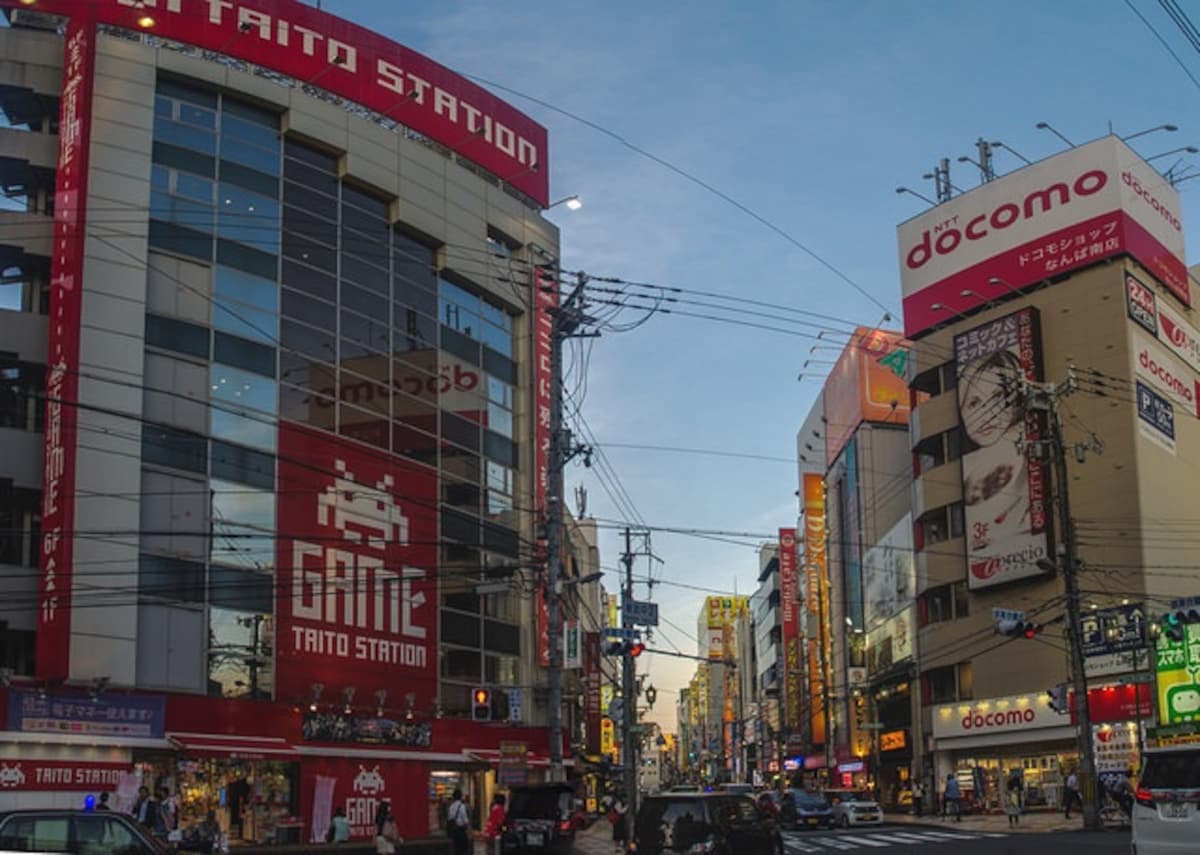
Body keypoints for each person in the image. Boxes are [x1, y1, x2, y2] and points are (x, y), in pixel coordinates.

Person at [447, 789, 470, 855]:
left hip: (453, 831)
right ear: (460, 796)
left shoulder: (451, 806)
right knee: (463, 848)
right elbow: (465, 820)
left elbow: (449, 818)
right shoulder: (461, 806)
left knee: (456, 849)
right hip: (460, 830)